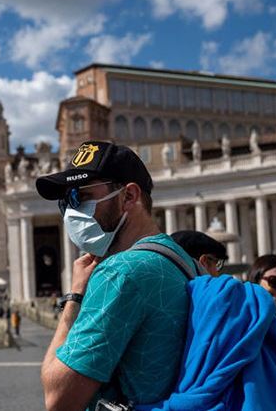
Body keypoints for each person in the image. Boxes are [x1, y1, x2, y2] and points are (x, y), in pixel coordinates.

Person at [36, 141, 201, 410]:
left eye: (81, 197)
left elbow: (58, 398)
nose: (71, 212)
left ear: (129, 196)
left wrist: (74, 298)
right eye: (65, 202)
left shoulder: (120, 273)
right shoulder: (183, 259)